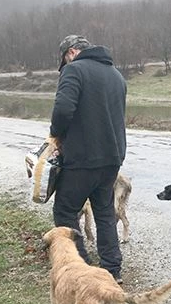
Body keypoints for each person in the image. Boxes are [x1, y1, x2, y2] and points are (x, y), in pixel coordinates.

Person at [49, 35, 127, 283]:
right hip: (112, 158)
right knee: (104, 212)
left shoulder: (74, 71)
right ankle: (112, 270)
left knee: (65, 211)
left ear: (71, 52)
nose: (65, 65)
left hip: (82, 158)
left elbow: (63, 109)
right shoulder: (116, 75)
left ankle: (81, 268)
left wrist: (56, 136)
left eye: (64, 60)